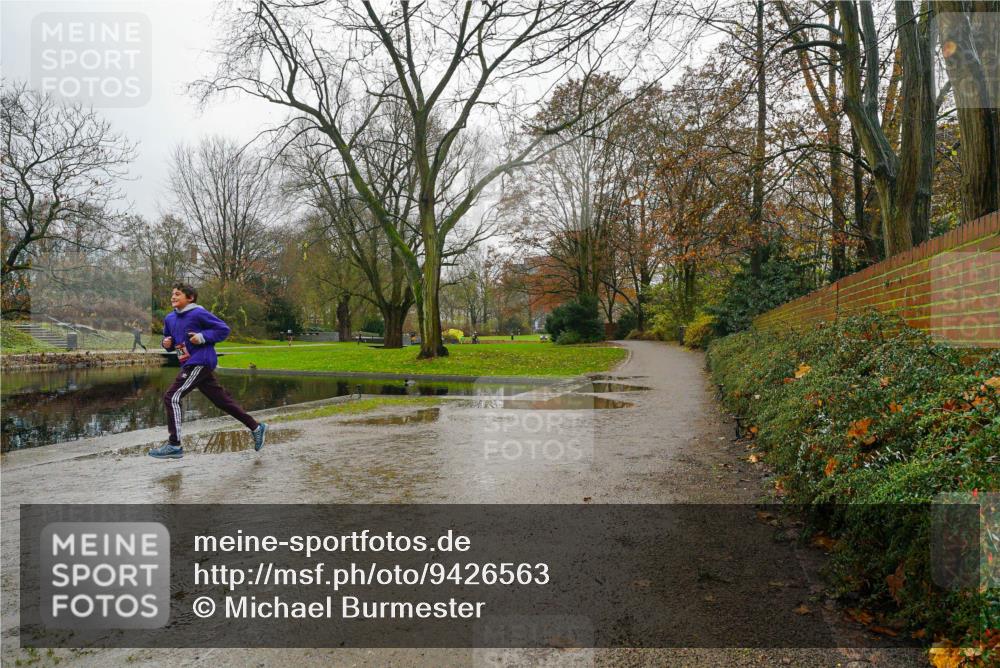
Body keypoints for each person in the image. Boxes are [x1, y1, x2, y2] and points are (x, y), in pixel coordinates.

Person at [148, 283, 267, 460]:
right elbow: (170, 340)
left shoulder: (198, 313)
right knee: (222, 401)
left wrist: (202, 337)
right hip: (188, 363)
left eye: (178, 294)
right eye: (172, 294)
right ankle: (256, 427)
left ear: (190, 298)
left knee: (171, 397)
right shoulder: (170, 319)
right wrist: (166, 344)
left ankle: (174, 444)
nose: (173, 297)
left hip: (201, 361)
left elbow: (223, 329)